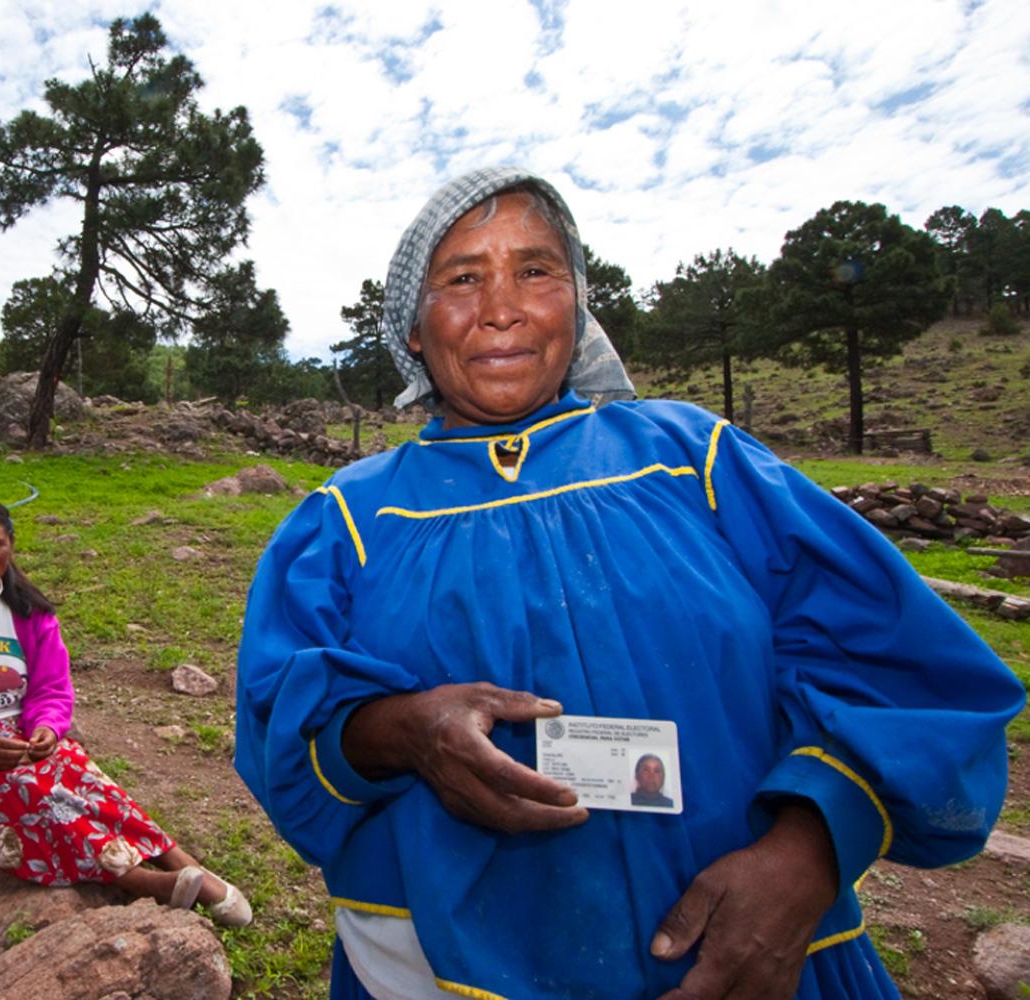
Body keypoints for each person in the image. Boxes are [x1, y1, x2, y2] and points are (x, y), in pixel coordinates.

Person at [235, 166, 1024, 999]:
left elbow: (898, 665)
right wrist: (403, 731)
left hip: (749, 959)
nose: (501, 306)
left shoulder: (695, 459)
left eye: (535, 270)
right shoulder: (348, 519)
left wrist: (808, 852)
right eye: (462, 277)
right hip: (437, 973)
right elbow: (281, 729)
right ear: (413, 332)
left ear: (576, 305)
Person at [0, 496, 250, 926]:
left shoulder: (31, 613)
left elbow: (52, 689)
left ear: (11, 546)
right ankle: (144, 883)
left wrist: (47, 728)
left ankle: (177, 858)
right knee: (27, 794)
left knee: (81, 773)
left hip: (21, 734)